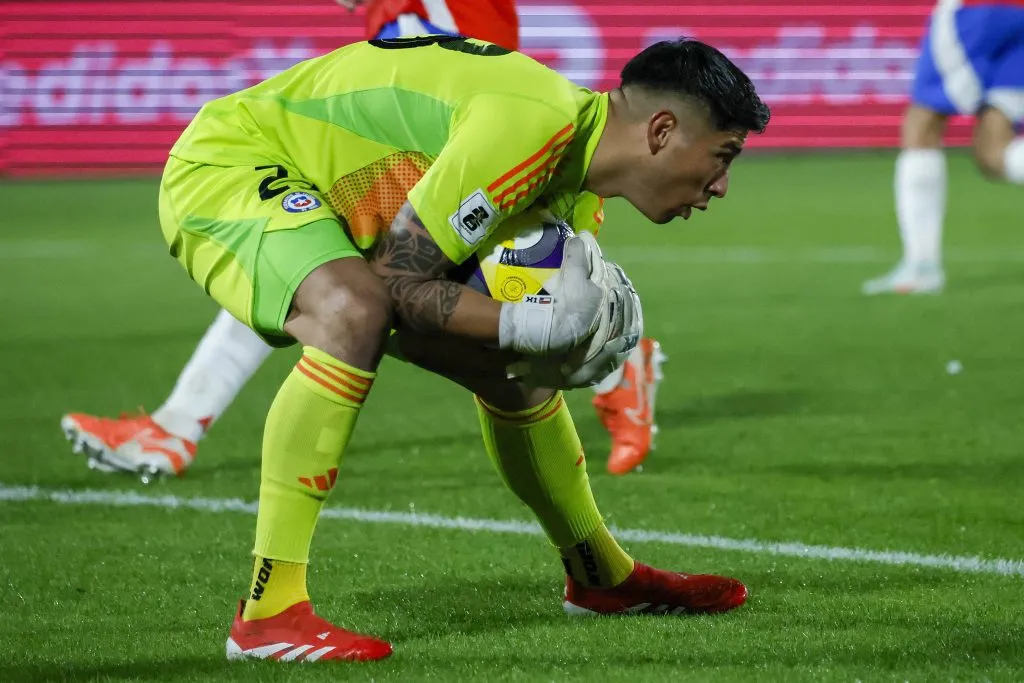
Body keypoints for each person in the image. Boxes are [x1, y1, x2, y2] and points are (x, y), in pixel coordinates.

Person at [141, 35, 768, 662]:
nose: (722, 186)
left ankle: (600, 575)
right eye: (724, 155)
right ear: (662, 131)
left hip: (340, 202)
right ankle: (268, 613)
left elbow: (498, 317)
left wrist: (545, 339)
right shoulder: (530, 125)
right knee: (351, 310)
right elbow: (397, 281)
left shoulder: (574, 189)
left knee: (515, 373)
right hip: (233, 164)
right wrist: (528, 324)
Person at [61, 0, 666, 479]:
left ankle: (613, 357)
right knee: (310, 262)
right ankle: (179, 423)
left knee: (354, 276)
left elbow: (477, 91)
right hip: (466, 124)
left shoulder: (446, 20)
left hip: (459, 130)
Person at [862, 0, 1024, 296]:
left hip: (977, 10)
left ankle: (922, 268)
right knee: (994, 155)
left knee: (922, 125)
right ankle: (921, 268)